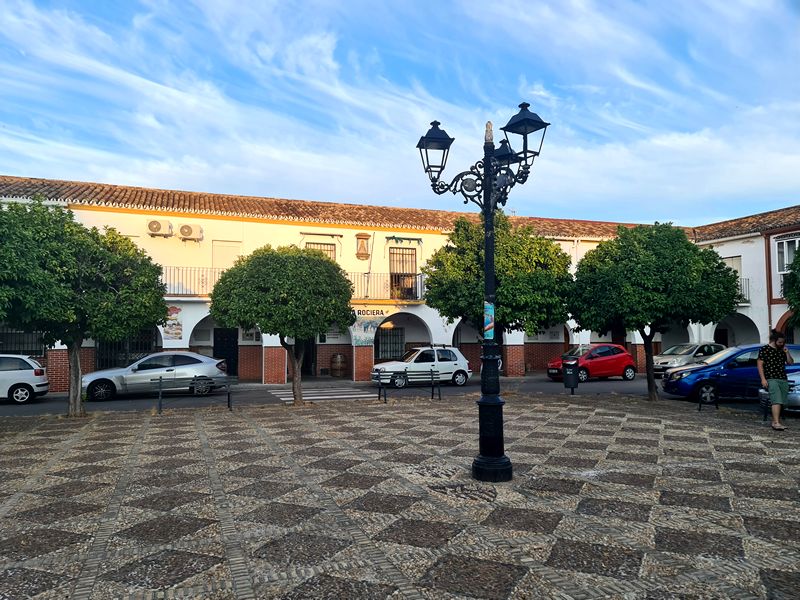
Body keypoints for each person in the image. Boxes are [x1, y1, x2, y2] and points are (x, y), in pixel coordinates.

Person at [757, 329, 794, 431]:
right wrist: (763, 379)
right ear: (774, 340)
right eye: (779, 342)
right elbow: (760, 365)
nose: (781, 344)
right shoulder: (765, 349)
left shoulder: (782, 350)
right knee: (776, 399)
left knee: (782, 401)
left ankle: (775, 421)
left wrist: (787, 353)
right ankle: (776, 423)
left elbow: (790, 362)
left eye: (783, 342)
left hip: (782, 378)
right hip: (771, 378)